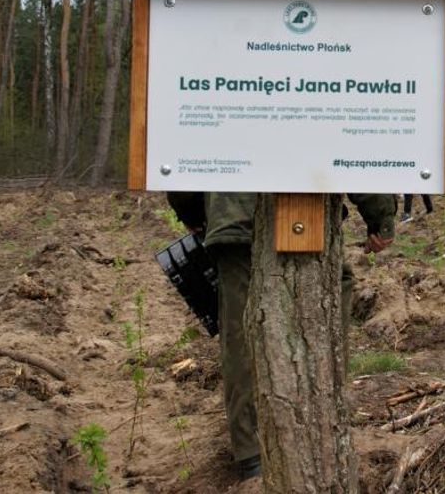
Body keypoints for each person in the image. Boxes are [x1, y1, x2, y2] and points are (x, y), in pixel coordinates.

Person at [167, 191, 394, 483]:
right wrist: (381, 218)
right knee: (330, 296)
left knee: (240, 330)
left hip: (236, 213)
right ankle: (321, 422)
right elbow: (351, 148)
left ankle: (252, 450)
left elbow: (185, 153)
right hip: (309, 208)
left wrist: (193, 211)